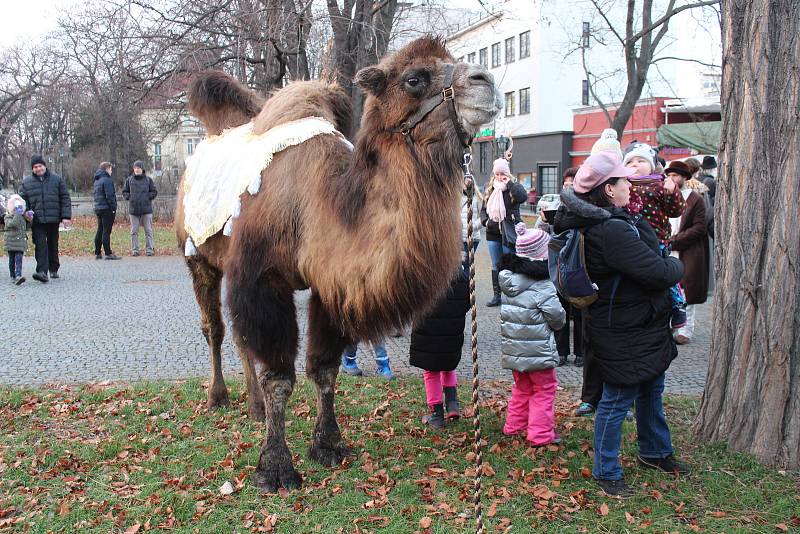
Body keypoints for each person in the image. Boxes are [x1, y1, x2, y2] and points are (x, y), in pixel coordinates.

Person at [556, 151, 689, 497]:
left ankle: (655, 452)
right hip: (623, 329)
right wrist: (676, 265)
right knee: (616, 400)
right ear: (607, 190)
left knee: (650, 391)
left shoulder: (614, 221)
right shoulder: (610, 230)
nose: (629, 185)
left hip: (639, 324)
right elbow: (659, 271)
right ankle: (607, 471)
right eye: (622, 180)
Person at [499, 223, 565, 446]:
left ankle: (514, 426)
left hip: (515, 350)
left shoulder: (508, 282)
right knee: (544, 390)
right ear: (542, 255)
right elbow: (557, 318)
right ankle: (540, 434)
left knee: (522, 387)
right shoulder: (542, 285)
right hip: (538, 351)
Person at [623, 143, 687, 328]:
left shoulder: (660, 184)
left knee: (665, 273)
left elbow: (676, 211)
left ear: (652, 165)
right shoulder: (622, 184)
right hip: (631, 239)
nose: (635, 164)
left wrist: (672, 192)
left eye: (641, 160)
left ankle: (677, 306)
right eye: (630, 161)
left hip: (657, 238)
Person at [410, 271, 470, 429]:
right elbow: (467, 302)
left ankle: (437, 415)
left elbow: (412, 302)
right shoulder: (462, 277)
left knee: (431, 372)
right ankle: (452, 404)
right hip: (452, 332)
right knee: (448, 366)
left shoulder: (423, 277)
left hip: (428, 334)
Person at [665, 161, 709, 345]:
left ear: (684, 177)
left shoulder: (695, 199)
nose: (673, 179)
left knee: (687, 291)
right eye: (671, 175)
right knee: (668, 287)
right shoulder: (666, 197)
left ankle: (685, 329)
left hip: (688, 250)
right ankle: (670, 325)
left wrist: (676, 240)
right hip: (667, 248)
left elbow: (699, 227)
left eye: (676, 175)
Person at [480, 158, 527, 307]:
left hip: (509, 232)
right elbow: (483, 210)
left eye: (502, 173)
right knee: (495, 265)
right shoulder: (490, 189)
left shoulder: (513, 188)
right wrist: (485, 222)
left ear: (507, 173)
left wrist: (510, 184)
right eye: (497, 173)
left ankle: (510, 295)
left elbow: (522, 197)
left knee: (509, 264)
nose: (500, 177)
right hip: (492, 232)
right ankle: (497, 295)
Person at [20, 155, 72, 282]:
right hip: (37, 220)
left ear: (45, 166)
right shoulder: (26, 182)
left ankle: (54, 268)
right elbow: (22, 200)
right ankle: (42, 271)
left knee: (53, 244)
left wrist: (66, 216)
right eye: (35, 167)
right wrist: (25, 212)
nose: (38, 169)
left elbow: (65, 198)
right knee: (40, 245)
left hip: (53, 219)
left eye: (40, 166)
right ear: (32, 169)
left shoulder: (57, 179)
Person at [123, 160, 158, 256]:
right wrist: (129, 197)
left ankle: (149, 250)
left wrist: (147, 197)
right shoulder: (129, 180)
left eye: (138, 168)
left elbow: (154, 192)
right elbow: (125, 192)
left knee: (148, 231)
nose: (136, 169)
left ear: (142, 169)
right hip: (133, 211)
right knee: (134, 231)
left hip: (146, 210)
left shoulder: (148, 180)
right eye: (135, 168)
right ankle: (135, 250)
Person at [93, 161, 121, 260]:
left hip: (98, 208)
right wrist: (113, 207)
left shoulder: (97, 180)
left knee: (100, 230)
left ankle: (97, 252)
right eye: (110, 169)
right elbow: (110, 195)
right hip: (107, 209)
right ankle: (108, 253)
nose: (111, 171)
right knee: (106, 231)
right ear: (107, 169)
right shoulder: (107, 180)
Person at [4, 195, 33, 285]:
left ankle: (18, 275)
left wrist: (29, 218)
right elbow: (13, 224)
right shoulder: (8, 217)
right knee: (12, 260)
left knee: (19, 260)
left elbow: (26, 227)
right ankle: (12, 275)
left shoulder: (22, 217)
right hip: (11, 243)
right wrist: (17, 214)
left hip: (20, 242)